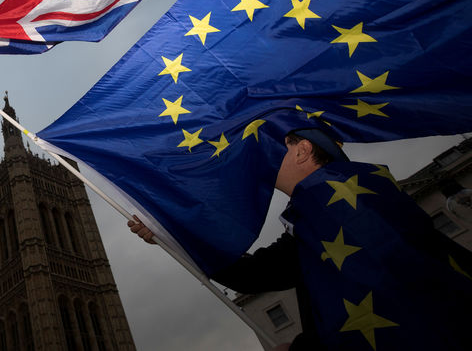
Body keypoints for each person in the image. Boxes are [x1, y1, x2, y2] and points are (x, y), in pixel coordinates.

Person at [128, 129, 472, 350]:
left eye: (272, 145)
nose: (257, 154)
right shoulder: (311, 220)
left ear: (302, 150)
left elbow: (392, 298)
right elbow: (254, 274)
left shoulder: (353, 204)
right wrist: (171, 235)